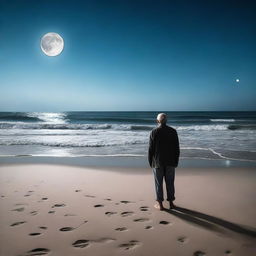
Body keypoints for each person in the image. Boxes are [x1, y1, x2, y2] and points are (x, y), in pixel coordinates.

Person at [148, 113, 180, 210]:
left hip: (158, 162)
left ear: (157, 121)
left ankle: (160, 205)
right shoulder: (173, 131)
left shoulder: (154, 132)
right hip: (170, 161)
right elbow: (177, 148)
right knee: (170, 182)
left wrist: (150, 162)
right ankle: (171, 203)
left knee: (158, 183)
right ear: (166, 121)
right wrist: (176, 161)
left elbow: (151, 149)